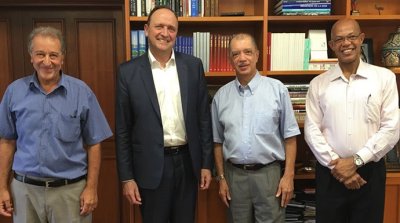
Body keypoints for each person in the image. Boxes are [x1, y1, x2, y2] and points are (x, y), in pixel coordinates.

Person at [0, 26, 113, 223]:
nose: (47, 61)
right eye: (40, 54)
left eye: (53, 55)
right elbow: (7, 141)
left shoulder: (81, 92)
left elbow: (94, 144)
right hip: (25, 192)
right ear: (31, 57)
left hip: (70, 193)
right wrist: (2, 187)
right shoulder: (14, 92)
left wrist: (91, 188)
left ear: (62, 58)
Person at [115, 6, 213, 223]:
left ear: (176, 34)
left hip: (188, 164)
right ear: (146, 30)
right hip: (149, 167)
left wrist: (206, 163)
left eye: (171, 28)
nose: (165, 33)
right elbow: (123, 130)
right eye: (159, 26)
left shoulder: (193, 66)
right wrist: (127, 178)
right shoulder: (128, 72)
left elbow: (203, 119)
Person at [304, 18, 399, 223]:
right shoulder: (318, 84)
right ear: (331, 46)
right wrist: (338, 167)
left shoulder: (384, 78)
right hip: (330, 173)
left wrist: (356, 160)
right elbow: (312, 130)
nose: (346, 43)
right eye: (339, 39)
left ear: (361, 39)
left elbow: (391, 128)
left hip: (369, 173)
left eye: (351, 37)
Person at [211, 33, 300, 223]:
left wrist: (288, 176)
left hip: (269, 176)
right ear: (230, 59)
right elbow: (217, 142)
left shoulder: (277, 90)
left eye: (247, 52)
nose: (242, 58)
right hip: (234, 177)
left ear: (257, 55)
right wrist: (221, 178)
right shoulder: (221, 96)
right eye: (236, 54)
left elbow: (290, 137)